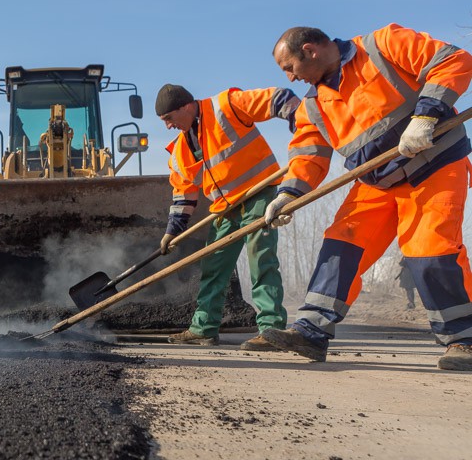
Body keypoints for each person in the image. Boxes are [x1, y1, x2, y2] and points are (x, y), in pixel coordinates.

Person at [263, 24, 472, 370]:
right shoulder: (313, 105)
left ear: (311, 51)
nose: (291, 77)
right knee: (340, 245)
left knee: (429, 250)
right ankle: (312, 331)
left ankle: (463, 340)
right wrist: (289, 193)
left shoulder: (382, 45)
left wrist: (424, 117)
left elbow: (453, 60)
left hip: (433, 166)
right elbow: (307, 154)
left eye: (290, 67)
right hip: (377, 183)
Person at [156, 83, 299, 350]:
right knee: (214, 265)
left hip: (258, 195)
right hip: (224, 207)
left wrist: (304, 124)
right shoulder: (178, 152)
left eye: (169, 119)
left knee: (261, 259)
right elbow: (183, 196)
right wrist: (171, 232)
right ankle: (204, 328)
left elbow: (279, 98)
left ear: (186, 106)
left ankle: (271, 329)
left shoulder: (226, 106)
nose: (168, 126)